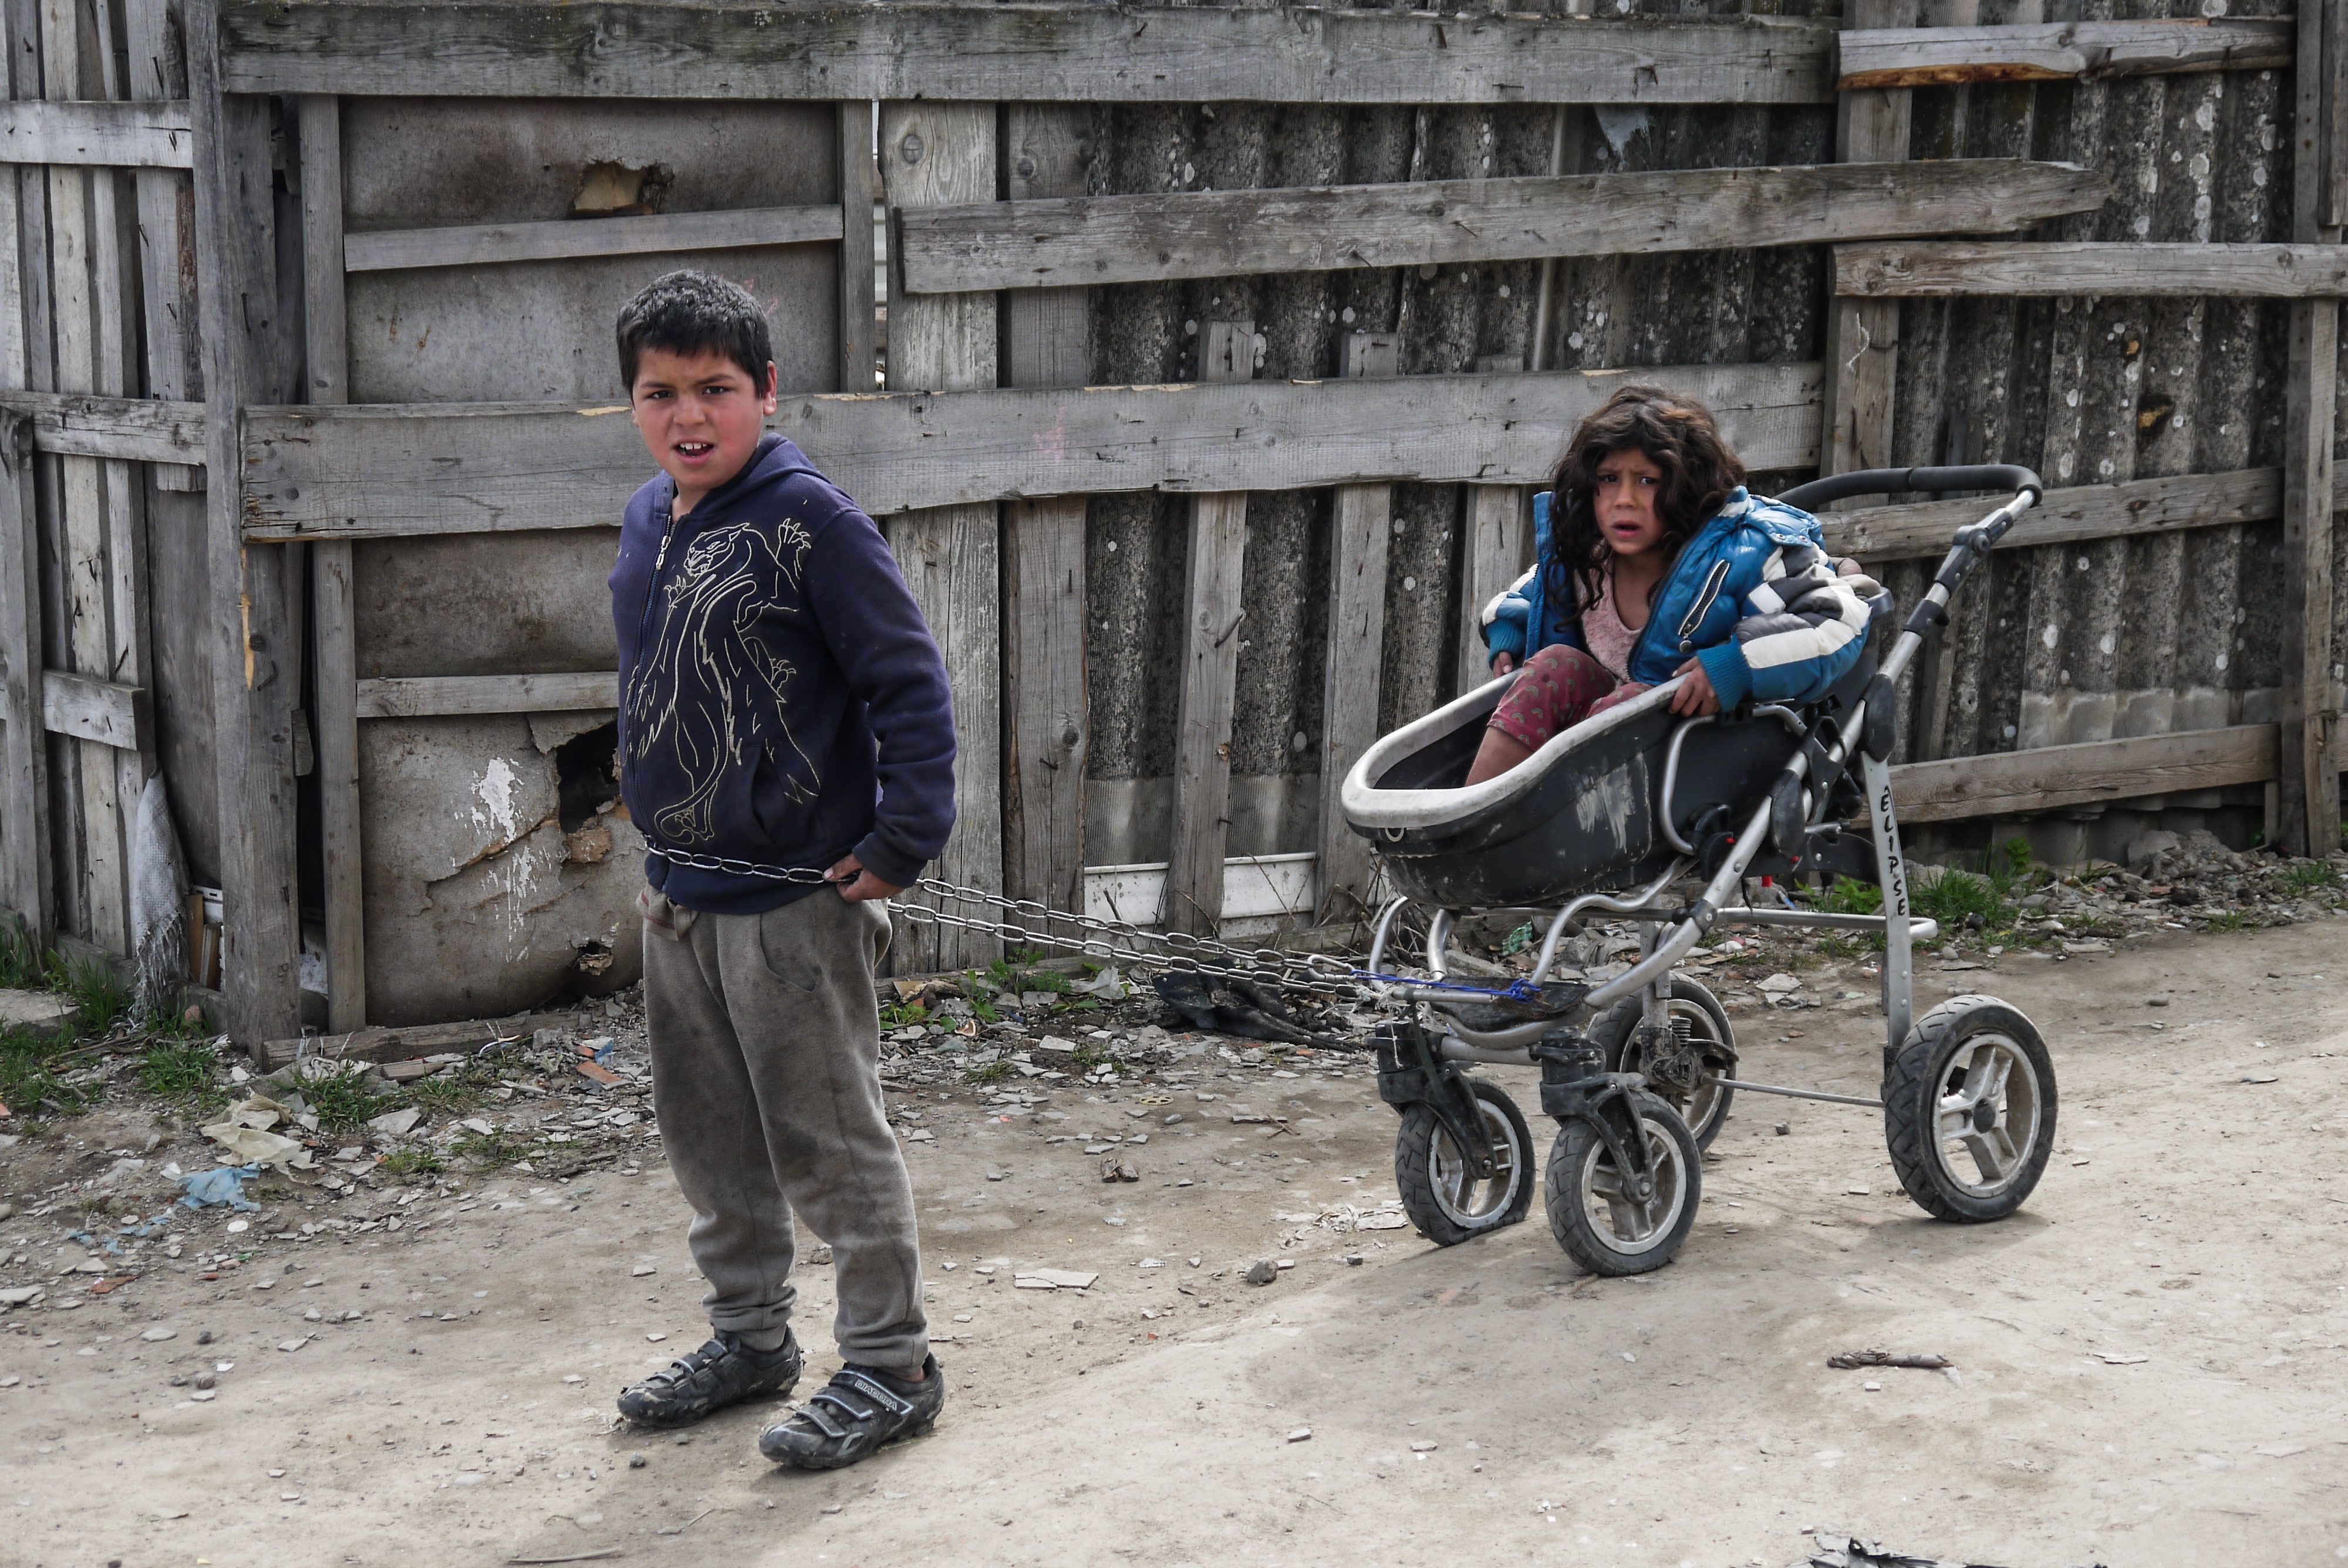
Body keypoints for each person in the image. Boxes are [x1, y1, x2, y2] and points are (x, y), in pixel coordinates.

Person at [606, 270, 956, 1470]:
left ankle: (888, 1361)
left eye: (715, 388)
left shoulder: (812, 522)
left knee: (826, 1138)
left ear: (766, 390)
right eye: (660, 392)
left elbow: (906, 685)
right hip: (680, 892)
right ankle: (750, 1338)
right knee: (711, 1140)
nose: (687, 416)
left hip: (796, 904)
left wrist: (902, 841)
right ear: (632, 405)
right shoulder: (653, 517)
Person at [1467, 385, 1877, 785]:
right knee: (1552, 666)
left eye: (1647, 481)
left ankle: (1547, 830)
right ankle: (1472, 822)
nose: (1623, 499)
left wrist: (1738, 664)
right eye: (1609, 479)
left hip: (1698, 754)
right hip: (1596, 737)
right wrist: (1512, 624)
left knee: (1635, 703)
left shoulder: (1747, 557)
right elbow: (1539, 588)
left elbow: (1838, 620)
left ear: (1686, 487)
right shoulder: (1588, 556)